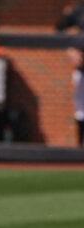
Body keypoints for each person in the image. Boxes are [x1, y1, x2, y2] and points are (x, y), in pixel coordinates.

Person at [56, 2, 84, 146]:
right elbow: (59, 29)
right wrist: (70, 50)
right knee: (81, 108)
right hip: (82, 69)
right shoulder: (79, 9)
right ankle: (81, 149)